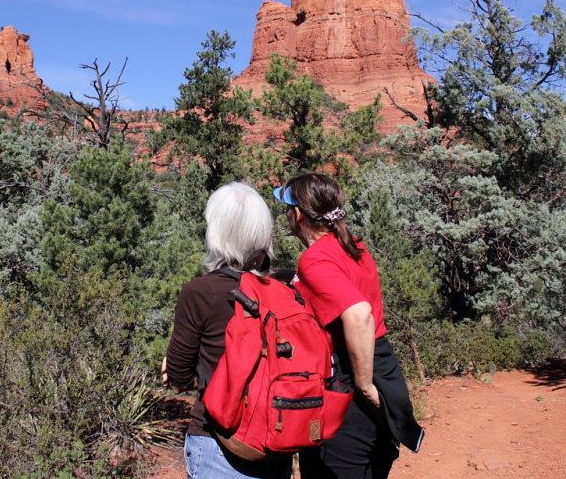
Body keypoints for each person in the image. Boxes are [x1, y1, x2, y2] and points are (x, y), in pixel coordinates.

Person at [273, 172, 424, 479]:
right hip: (384, 368)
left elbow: (359, 313)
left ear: (298, 214)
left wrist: (364, 385)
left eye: (287, 208)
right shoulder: (354, 245)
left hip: (347, 381)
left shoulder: (314, 260)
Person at [163, 182, 292, 479]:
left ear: (216, 232)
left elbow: (179, 379)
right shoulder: (284, 288)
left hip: (220, 442)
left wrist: (195, 371)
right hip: (278, 436)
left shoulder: (200, 292)